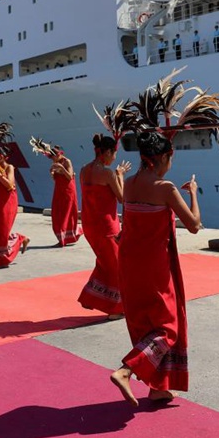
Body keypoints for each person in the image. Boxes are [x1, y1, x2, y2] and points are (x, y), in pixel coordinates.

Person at [110, 131, 201, 407]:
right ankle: (127, 370)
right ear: (163, 157)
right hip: (154, 266)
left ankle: (158, 388)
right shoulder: (166, 187)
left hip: (128, 262)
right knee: (168, 328)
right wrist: (194, 194)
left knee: (145, 323)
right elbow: (195, 225)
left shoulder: (130, 184)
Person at [78, 134, 131, 317]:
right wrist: (120, 175)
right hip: (107, 227)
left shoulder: (84, 170)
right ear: (107, 152)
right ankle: (115, 308)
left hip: (89, 226)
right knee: (117, 266)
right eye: (114, 153)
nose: (114, 157)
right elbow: (122, 198)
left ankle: (94, 298)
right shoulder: (108, 173)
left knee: (106, 264)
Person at [0, 149, 29, 268]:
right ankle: (20, 239)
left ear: (3, 157)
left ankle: (3, 260)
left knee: (2, 230)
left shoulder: (10, 167)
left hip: (7, 202)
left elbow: (9, 185)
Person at [47, 147, 83, 246]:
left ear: (58, 154)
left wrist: (62, 168)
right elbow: (56, 179)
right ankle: (68, 235)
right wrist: (53, 173)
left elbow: (70, 176)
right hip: (59, 190)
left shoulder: (67, 161)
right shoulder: (55, 163)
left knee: (66, 213)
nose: (52, 160)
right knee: (57, 212)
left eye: (53, 157)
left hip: (68, 191)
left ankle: (62, 239)